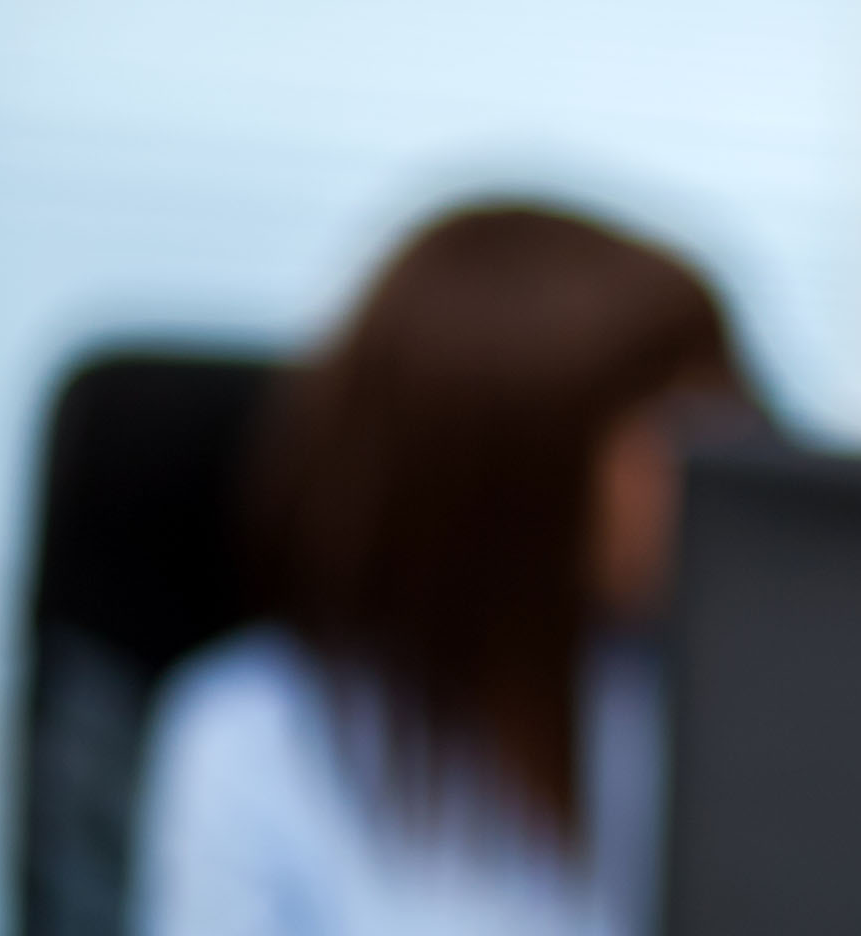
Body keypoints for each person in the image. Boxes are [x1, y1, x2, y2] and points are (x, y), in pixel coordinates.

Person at [130, 204, 756, 936]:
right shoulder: (256, 745)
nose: (725, 463)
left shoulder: (695, 715)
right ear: (506, 470)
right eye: (669, 426)